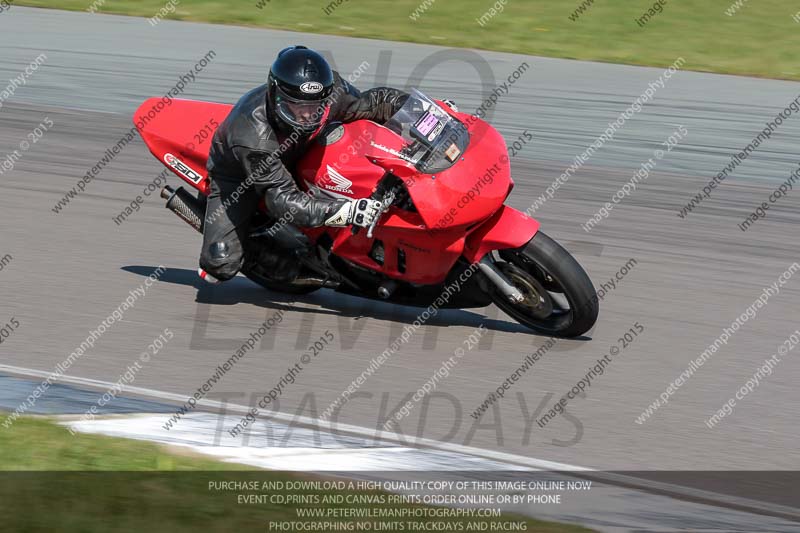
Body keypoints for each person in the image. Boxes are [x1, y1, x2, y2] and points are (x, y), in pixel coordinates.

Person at [199, 45, 408, 283]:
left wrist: (423, 113)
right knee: (219, 266)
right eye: (298, 106)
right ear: (275, 95)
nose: (308, 114)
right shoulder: (253, 138)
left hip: (301, 150)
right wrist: (348, 211)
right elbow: (282, 201)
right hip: (240, 176)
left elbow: (375, 102)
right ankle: (268, 254)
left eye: (315, 106)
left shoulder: (329, 94)